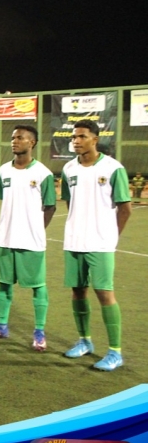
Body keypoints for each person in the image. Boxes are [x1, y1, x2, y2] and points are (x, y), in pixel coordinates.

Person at [61, 119, 132, 371]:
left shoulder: (113, 168)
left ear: (95, 139)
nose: (76, 141)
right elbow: (69, 202)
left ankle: (115, 351)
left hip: (101, 242)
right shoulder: (69, 168)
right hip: (74, 240)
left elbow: (125, 208)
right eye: (73, 137)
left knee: (104, 293)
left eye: (81, 136)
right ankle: (85, 341)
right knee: (78, 291)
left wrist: (112, 236)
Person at [0, 126, 56, 350]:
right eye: (12, 138)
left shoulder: (43, 174)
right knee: (4, 284)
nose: (14, 141)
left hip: (31, 241)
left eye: (20, 138)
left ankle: (39, 332)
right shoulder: (4, 171)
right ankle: (1, 326)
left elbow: (49, 206)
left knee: (38, 286)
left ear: (32, 143)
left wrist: (37, 230)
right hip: (5, 237)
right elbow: (5, 200)